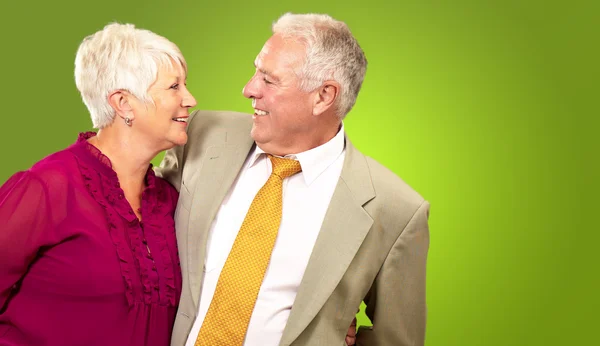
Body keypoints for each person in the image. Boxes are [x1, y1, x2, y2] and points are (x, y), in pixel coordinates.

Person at [157, 12, 430, 346]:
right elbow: (138, 229)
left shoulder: (396, 209)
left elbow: (397, 339)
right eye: (256, 70)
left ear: (323, 96)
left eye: (269, 80)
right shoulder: (203, 134)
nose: (248, 89)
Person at [0, 22, 197, 345]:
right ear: (123, 103)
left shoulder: (168, 201)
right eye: (174, 87)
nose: (189, 99)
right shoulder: (47, 188)